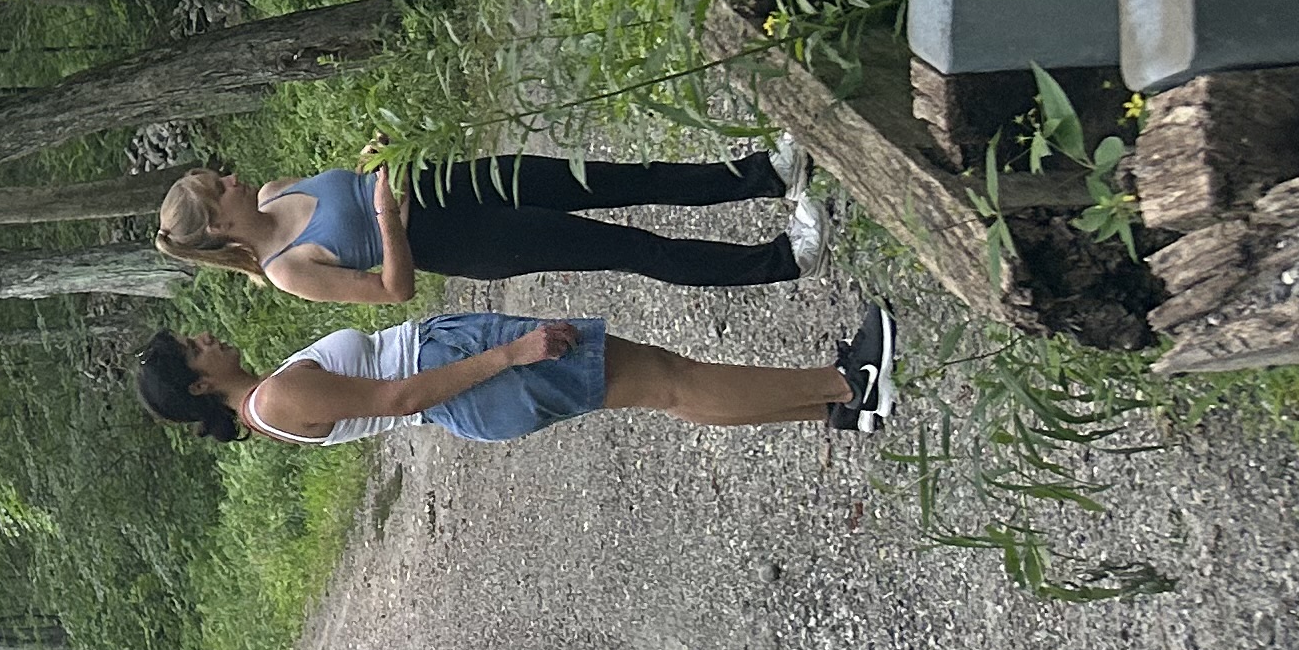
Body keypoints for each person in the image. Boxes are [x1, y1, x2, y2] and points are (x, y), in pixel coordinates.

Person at [135, 308, 898, 450]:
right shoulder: (277, 398)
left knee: (663, 387)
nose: (205, 339)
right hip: (464, 379)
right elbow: (397, 397)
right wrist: (510, 353)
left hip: (459, 384)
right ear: (202, 385)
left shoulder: (268, 408)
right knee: (667, 381)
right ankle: (846, 384)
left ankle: (831, 409)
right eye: (194, 350)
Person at [158, 155, 825, 299]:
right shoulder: (287, 271)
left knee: (618, 177)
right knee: (629, 248)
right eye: (221, 187)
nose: (233, 178)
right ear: (219, 222)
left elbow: (367, 180)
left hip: (451, 182)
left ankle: (765, 174)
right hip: (458, 241)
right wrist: (387, 215)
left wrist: (382, 158)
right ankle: (786, 259)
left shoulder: (278, 187)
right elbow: (394, 290)